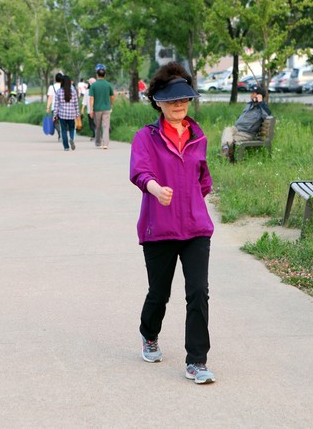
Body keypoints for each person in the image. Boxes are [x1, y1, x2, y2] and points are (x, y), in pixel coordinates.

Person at [129, 61, 216, 385]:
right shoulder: (145, 137)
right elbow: (140, 172)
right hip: (159, 229)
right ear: (158, 102)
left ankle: (197, 361)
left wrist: (190, 203)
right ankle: (149, 333)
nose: (179, 105)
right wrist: (156, 189)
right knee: (159, 292)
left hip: (195, 228)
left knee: (198, 292)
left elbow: (203, 179)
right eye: (172, 100)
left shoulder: (198, 136)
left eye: (184, 99)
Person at [220, 84, 272, 161]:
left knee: (229, 139)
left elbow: (267, 115)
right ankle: (226, 152)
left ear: (259, 96)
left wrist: (261, 102)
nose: (251, 95)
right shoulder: (249, 105)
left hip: (246, 133)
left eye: (253, 93)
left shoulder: (262, 109)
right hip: (236, 129)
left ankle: (227, 155)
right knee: (227, 129)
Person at [89, 64, 115, 149]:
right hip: (106, 108)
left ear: (97, 75)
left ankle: (98, 143)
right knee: (106, 126)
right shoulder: (108, 85)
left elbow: (91, 99)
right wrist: (111, 104)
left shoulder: (93, 85)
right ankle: (105, 144)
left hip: (97, 109)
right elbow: (112, 96)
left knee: (97, 126)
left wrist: (91, 110)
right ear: (105, 75)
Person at [53, 75, 80, 151]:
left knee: (64, 130)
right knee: (71, 129)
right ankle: (71, 139)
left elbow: (56, 105)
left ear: (62, 82)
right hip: (72, 114)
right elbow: (76, 104)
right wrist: (77, 114)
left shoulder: (59, 91)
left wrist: (55, 115)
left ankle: (66, 147)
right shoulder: (73, 91)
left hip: (62, 114)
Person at [46, 73, 64, 141]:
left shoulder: (52, 87)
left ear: (55, 79)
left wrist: (48, 107)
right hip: (63, 108)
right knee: (63, 121)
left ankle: (60, 133)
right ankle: (63, 133)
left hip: (55, 108)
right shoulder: (64, 86)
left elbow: (50, 98)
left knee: (55, 121)